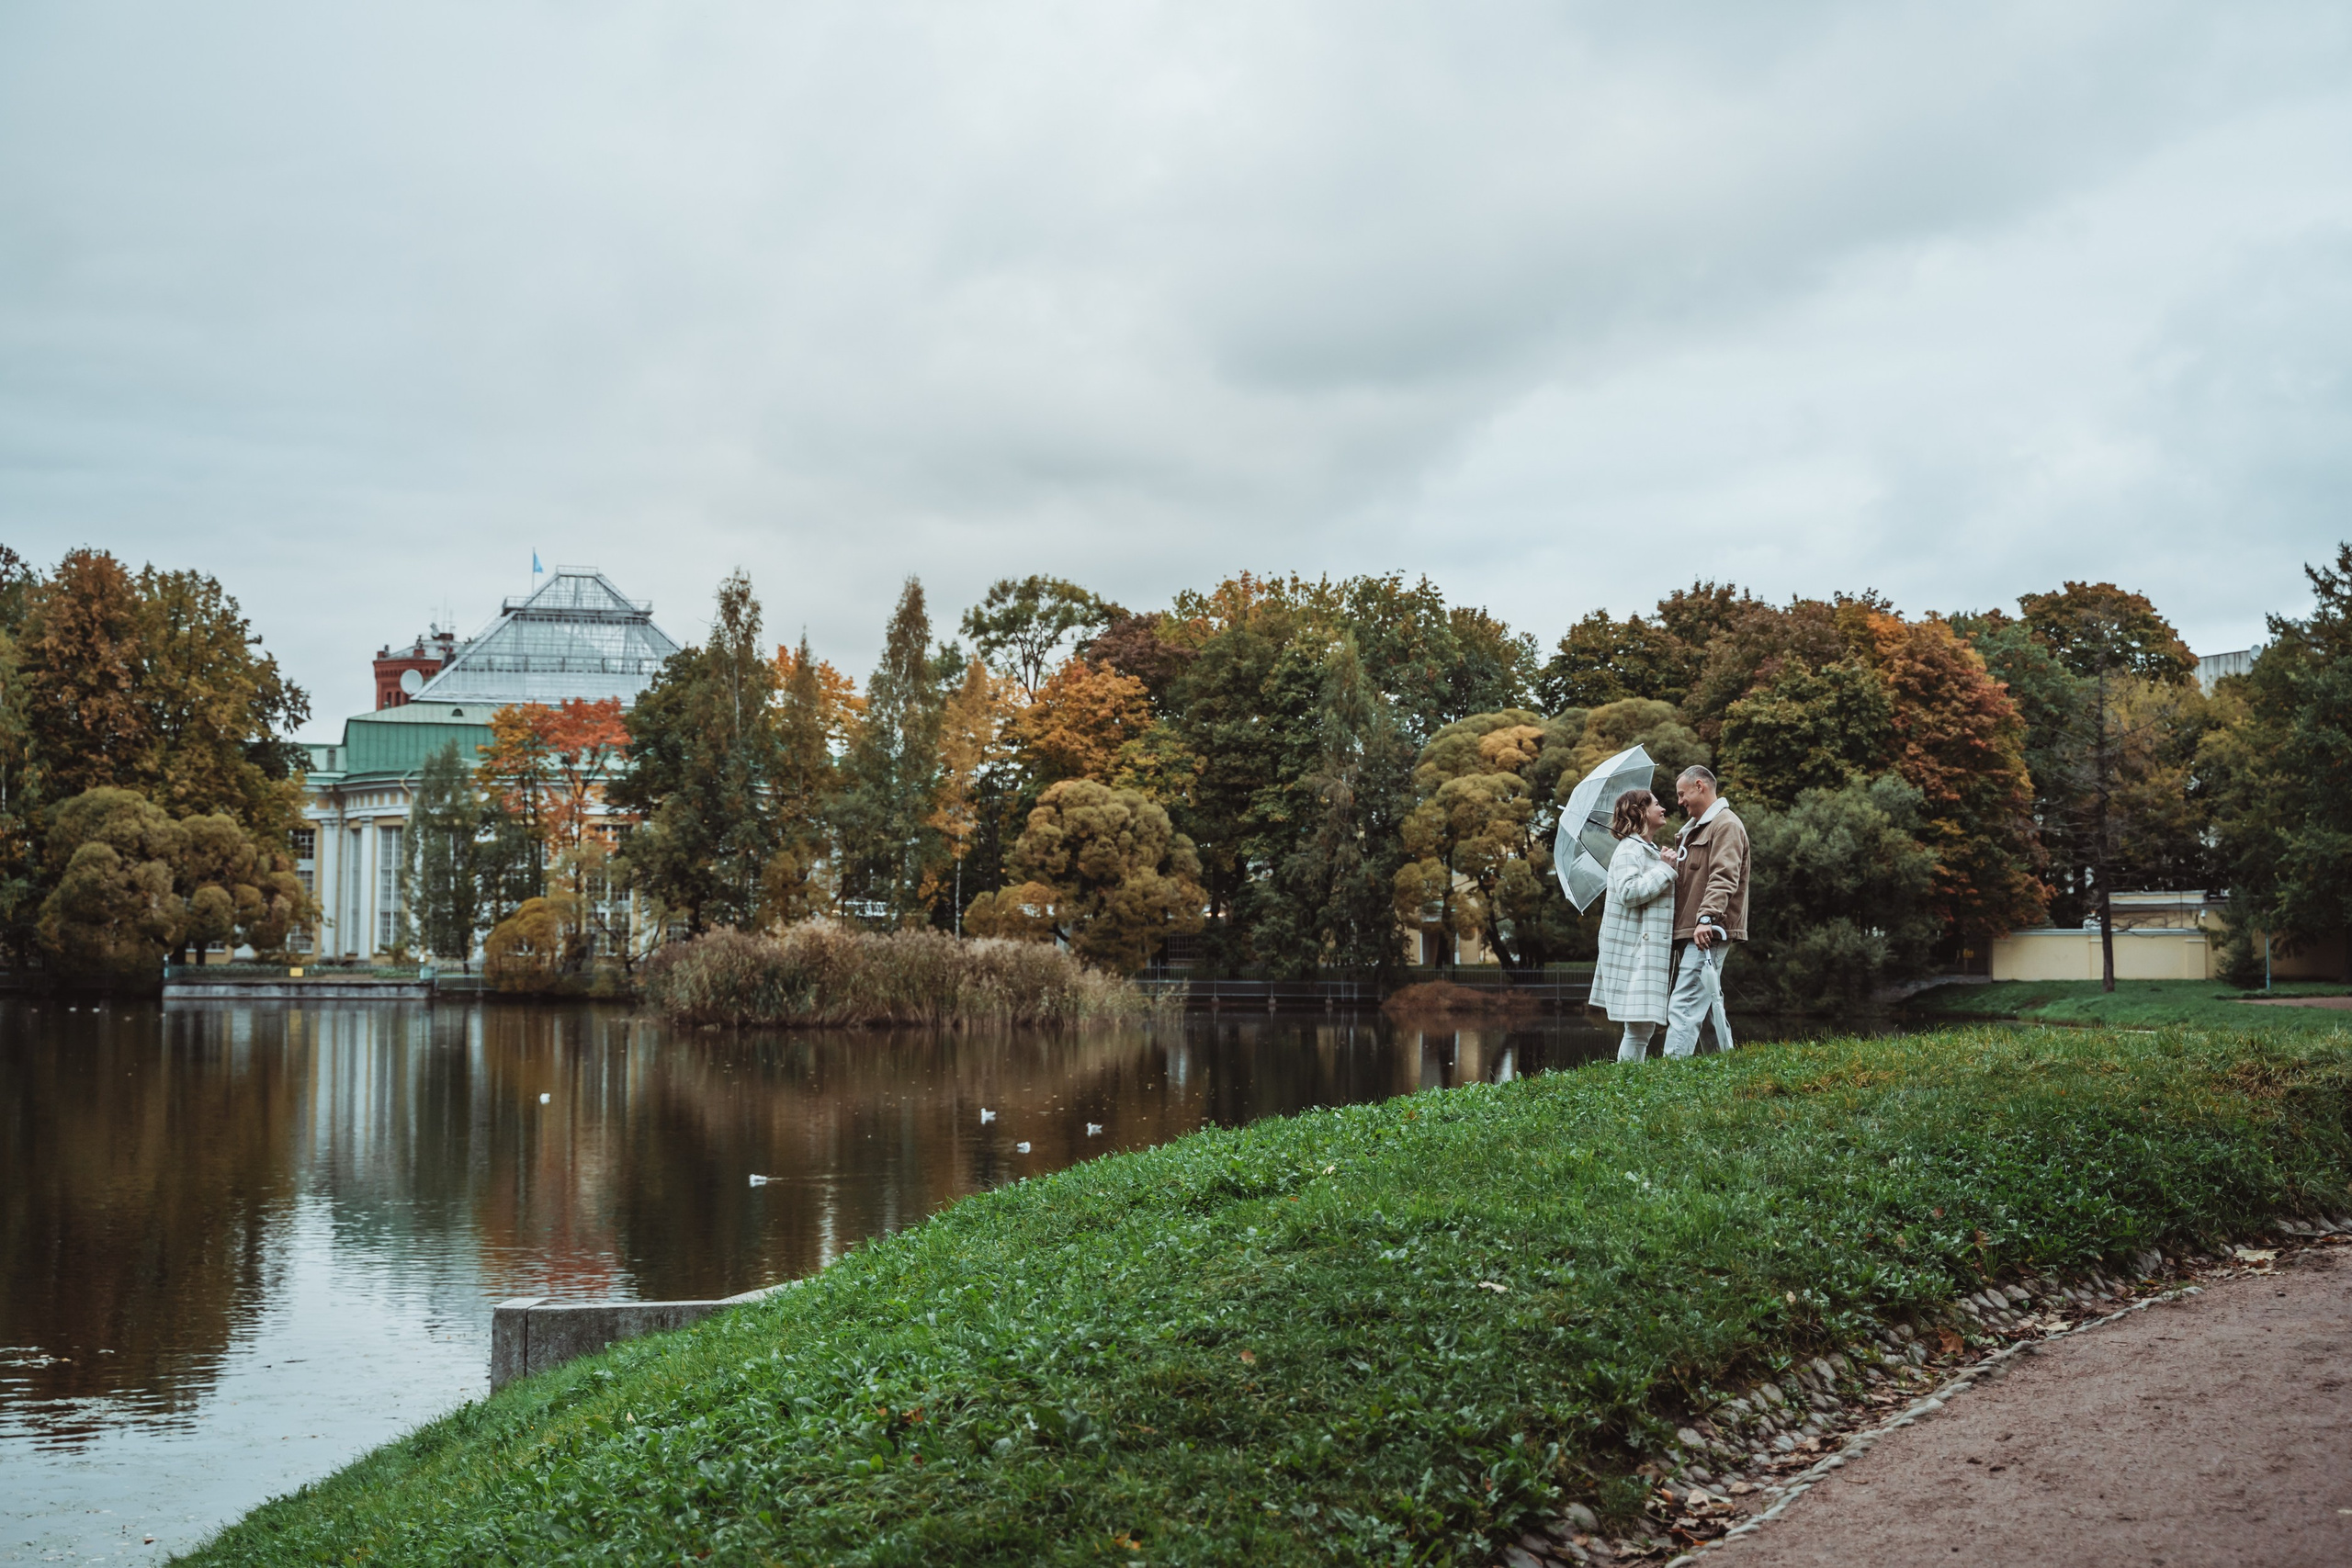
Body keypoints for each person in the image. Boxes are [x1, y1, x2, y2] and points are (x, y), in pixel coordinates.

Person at [1666, 764, 1749, 1057]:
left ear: (1699, 786)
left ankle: (1667, 1079)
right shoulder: (1694, 831)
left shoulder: (1725, 824)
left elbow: (1724, 876)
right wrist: (1670, 864)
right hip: (1692, 928)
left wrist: (1706, 918)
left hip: (1708, 929)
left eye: (1681, 794)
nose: (1679, 802)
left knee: (1684, 1002)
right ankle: (1724, 1067)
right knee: (1708, 1006)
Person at [1588, 787, 1675, 1062]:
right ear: (1641, 812)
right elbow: (1629, 893)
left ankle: (1629, 1079)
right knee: (1638, 1025)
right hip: (1635, 950)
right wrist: (1664, 869)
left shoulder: (1643, 849)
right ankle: (1627, 1080)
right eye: (1657, 804)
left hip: (1644, 948)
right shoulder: (1628, 850)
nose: (1663, 809)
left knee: (1643, 1025)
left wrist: (1662, 862)